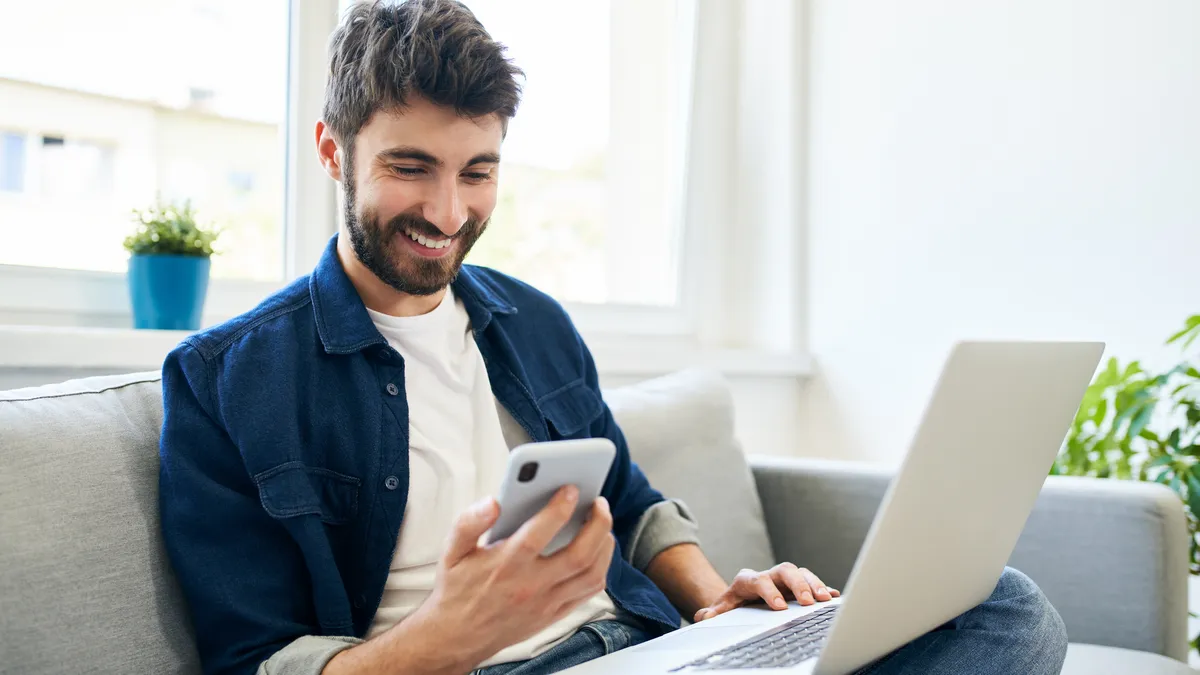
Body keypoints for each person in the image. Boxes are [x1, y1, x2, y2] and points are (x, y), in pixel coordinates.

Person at [158, 1, 1070, 674]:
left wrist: (717, 602)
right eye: (410, 167)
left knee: (1003, 607)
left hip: (653, 650)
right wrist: (456, 630)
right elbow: (253, 661)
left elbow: (631, 503)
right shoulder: (225, 380)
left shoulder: (533, 323)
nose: (447, 211)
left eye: (478, 172)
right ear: (332, 150)